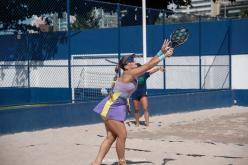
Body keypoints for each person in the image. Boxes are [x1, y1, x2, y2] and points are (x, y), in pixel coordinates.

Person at [91, 39, 174, 165]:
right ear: (126, 66)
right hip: (111, 106)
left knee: (111, 137)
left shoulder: (132, 73)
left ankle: (96, 162)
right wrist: (163, 55)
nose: (134, 61)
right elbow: (148, 66)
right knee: (122, 134)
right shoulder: (129, 73)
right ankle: (122, 162)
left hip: (116, 105)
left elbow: (148, 64)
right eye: (131, 61)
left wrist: (161, 51)